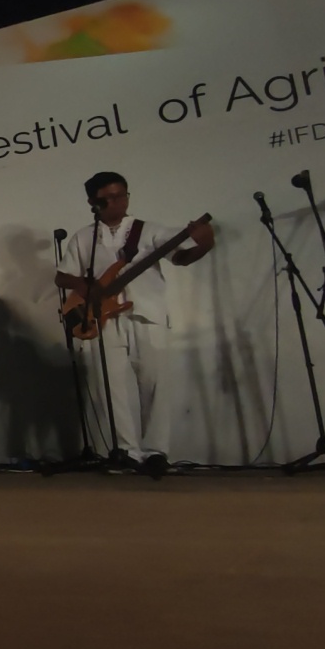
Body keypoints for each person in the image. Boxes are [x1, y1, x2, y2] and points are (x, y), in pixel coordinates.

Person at [54, 171, 214, 474]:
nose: (117, 202)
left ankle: (156, 451)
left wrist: (204, 245)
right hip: (102, 318)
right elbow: (62, 276)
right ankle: (126, 450)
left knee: (155, 384)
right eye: (108, 198)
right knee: (109, 387)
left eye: (121, 195)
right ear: (92, 202)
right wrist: (84, 285)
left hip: (147, 314)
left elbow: (180, 258)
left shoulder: (149, 230)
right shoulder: (84, 237)